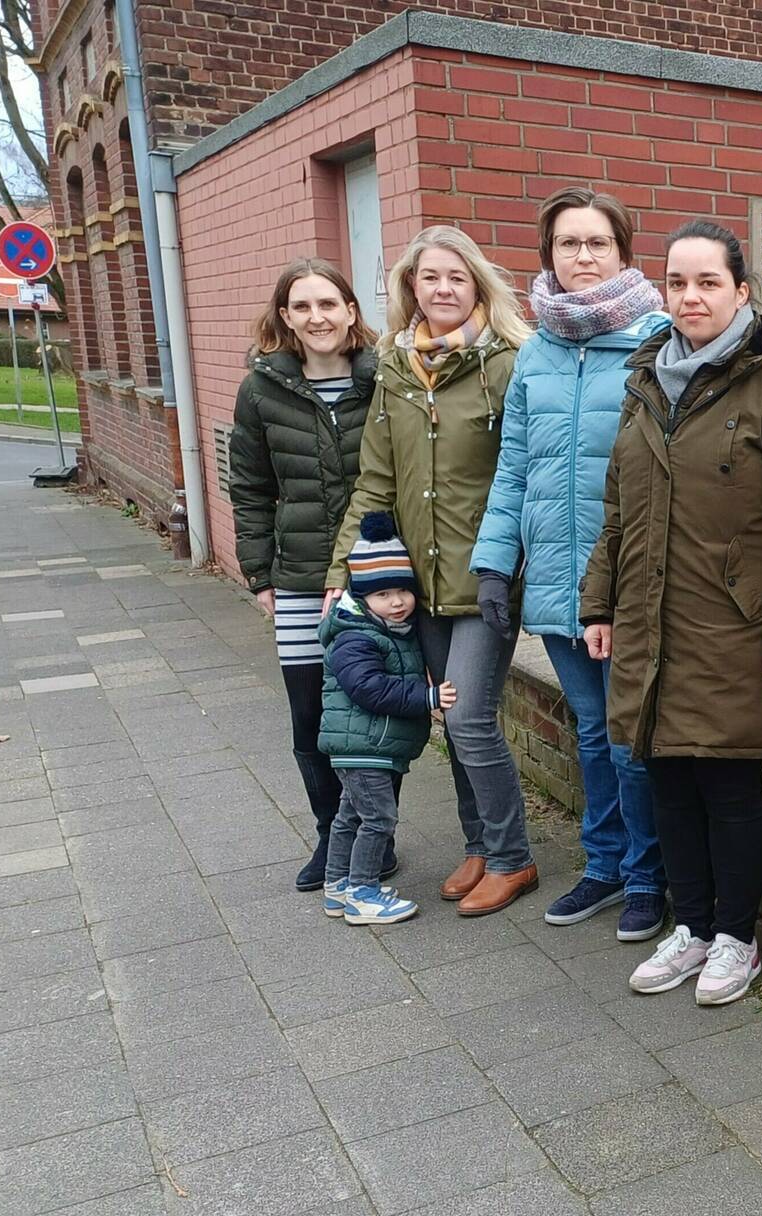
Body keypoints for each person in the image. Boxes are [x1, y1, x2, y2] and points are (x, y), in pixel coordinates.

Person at [580, 219, 762, 1005]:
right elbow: (619, 509)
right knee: (667, 779)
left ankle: (736, 939)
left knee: (729, 790)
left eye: (708, 283)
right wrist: (601, 602)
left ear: (741, 293)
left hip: (737, 628)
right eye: (678, 283)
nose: (690, 297)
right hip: (652, 622)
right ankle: (689, 928)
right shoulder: (646, 380)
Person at [473, 188, 671, 940]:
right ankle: (605, 864)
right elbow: (514, 466)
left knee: (632, 740)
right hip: (556, 575)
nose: (582, 257)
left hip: (626, 581)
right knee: (592, 731)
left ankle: (648, 877)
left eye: (597, 243)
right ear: (547, 253)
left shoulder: (657, 343)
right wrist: (496, 563)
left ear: (624, 252)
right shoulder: (537, 352)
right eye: (567, 244)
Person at [329, 225, 540, 918]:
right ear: (410, 289)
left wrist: (508, 562)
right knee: (452, 721)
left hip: (483, 580)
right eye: (430, 278)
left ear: (476, 284)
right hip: (417, 586)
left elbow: (524, 478)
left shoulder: (508, 363)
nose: (443, 289)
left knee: (471, 718)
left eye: (456, 277)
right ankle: (479, 845)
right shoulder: (394, 368)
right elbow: (376, 480)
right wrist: (344, 570)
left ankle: (512, 859)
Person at [227, 257, 399, 892]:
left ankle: (375, 835)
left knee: (374, 708)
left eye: (329, 304)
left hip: (378, 576)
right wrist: (259, 575)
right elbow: (248, 487)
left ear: (352, 312)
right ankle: (333, 832)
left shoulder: (386, 380)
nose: (316, 317)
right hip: (299, 577)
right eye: (302, 307)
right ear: (285, 318)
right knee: (311, 717)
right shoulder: (260, 390)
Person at [318, 513, 457, 926]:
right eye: (383, 595)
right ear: (362, 599)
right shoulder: (354, 637)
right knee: (379, 818)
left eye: (402, 590)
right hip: (363, 747)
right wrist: (428, 696)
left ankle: (337, 885)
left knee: (350, 816)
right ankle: (363, 892)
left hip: (364, 747)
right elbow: (370, 689)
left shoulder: (388, 628)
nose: (397, 601)